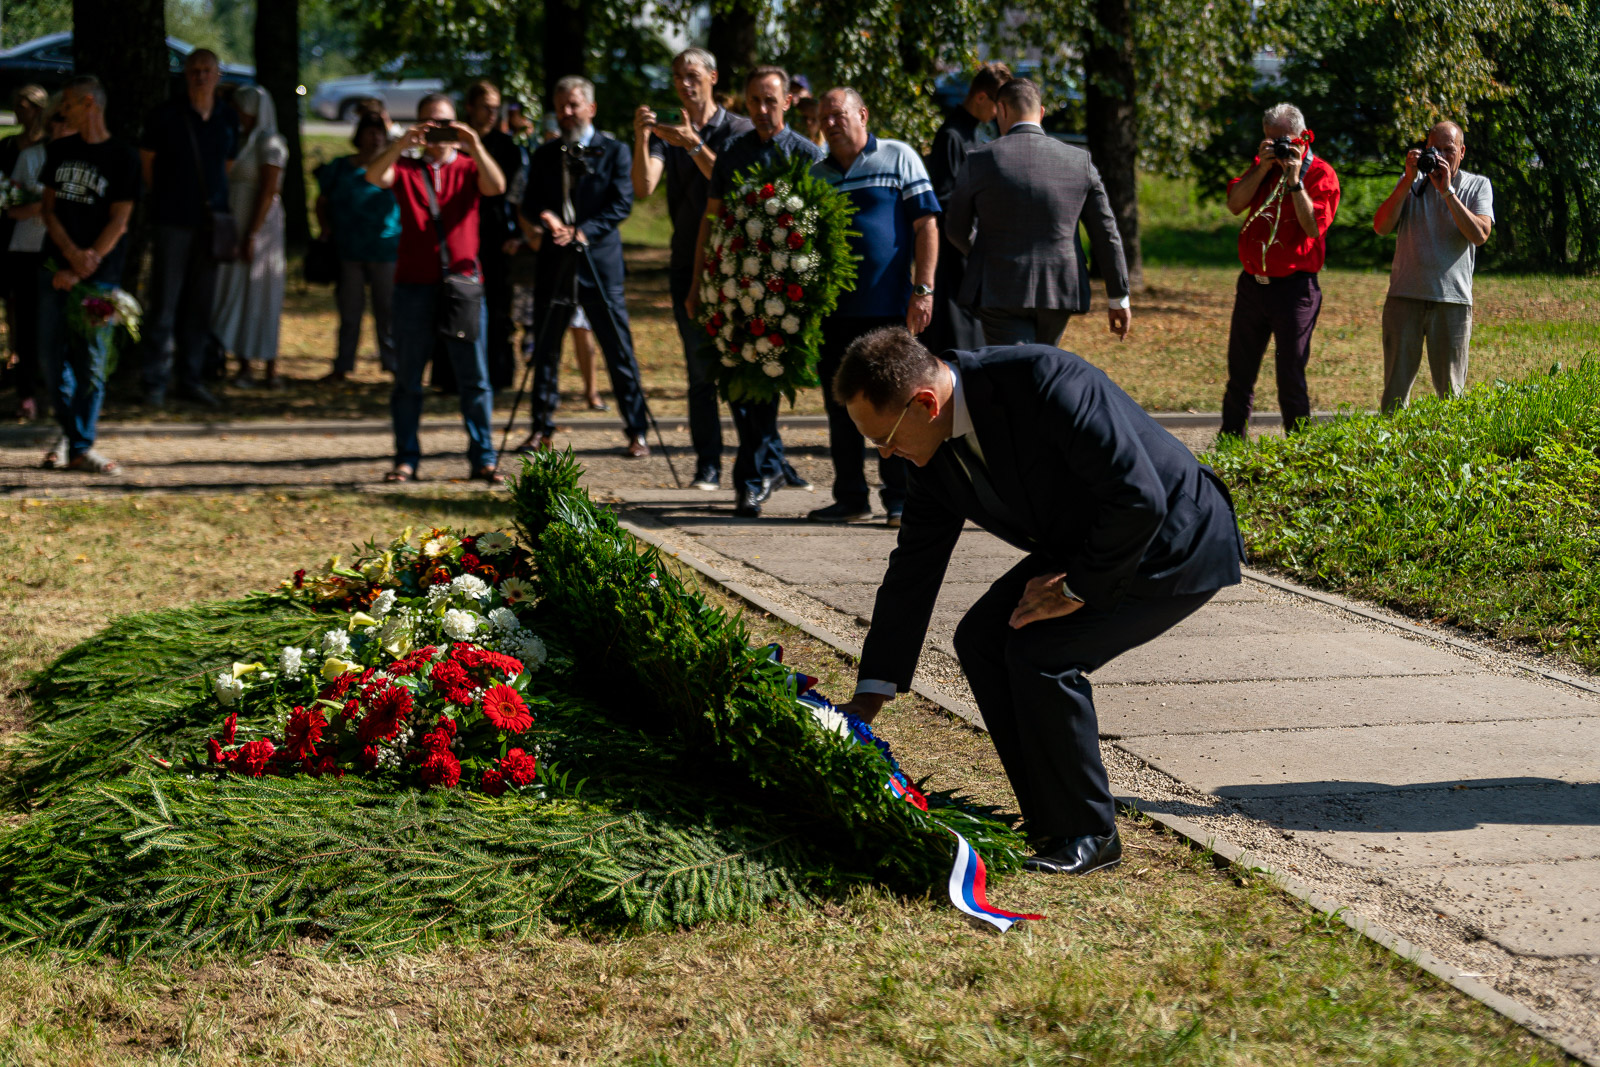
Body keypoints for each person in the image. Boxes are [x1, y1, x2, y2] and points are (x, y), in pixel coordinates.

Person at [831, 327, 1244, 874]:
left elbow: (1138, 497)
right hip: (1088, 540)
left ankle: (1089, 834)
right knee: (980, 639)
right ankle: (1052, 818)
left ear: (926, 403)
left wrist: (1075, 589)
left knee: (1043, 653)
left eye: (886, 438)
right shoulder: (928, 451)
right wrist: (871, 693)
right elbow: (914, 565)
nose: (885, 454)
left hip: (1173, 537)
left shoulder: (1045, 381)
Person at [686, 65, 826, 517]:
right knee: (740, 384)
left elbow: (825, 229)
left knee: (768, 384)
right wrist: (698, 285)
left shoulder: (807, 154)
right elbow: (711, 220)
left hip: (789, 292)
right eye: (754, 102)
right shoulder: (731, 151)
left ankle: (755, 475)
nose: (762, 110)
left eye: (770, 100)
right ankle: (760, 472)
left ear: (787, 101)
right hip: (736, 285)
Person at [806, 87, 940, 528]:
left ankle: (900, 499)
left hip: (889, 309)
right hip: (833, 313)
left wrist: (923, 289)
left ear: (862, 114)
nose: (830, 122)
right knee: (840, 404)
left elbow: (926, 225)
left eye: (839, 114)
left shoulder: (899, 157)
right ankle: (850, 497)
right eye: (824, 116)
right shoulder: (815, 174)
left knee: (895, 403)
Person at [365, 92, 506, 484]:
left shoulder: (467, 165)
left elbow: (496, 187)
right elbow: (374, 177)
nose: (438, 132)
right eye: (430, 123)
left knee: (474, 378)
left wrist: (474, 143)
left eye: (445, 123)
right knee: (408, 379)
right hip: (414, 286)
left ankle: (484, 458)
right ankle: (406, 458)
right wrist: (400, 144)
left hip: (463, 286)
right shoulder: (408, 168)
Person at [631, 46, 754, 490]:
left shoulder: (738, 129)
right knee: (699, 369)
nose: (684, 83)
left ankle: (761, 460)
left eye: (692, 75)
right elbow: (644, 186)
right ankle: (708, 464)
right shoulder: (668, 133)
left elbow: (736, 184)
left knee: (743, 365)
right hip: (687, 262)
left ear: (713, 76)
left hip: (738, 264)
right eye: (677, 76)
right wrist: (642, 137)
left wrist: (695, 144)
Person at [519, 75, 651, 457]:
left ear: (591, 108)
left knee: (617, 350)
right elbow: (529, 202)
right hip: (554, 262)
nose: (567, 112)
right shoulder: (545, 154)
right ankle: (540, 428)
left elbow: (621, 203)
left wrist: (583, 231)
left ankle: (636, 430)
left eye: (574, 104)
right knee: (545, 350)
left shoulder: (613, 151)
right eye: (561, 105)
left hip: (599, 262)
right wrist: (546, 217)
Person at [945, 78, 1131, 349]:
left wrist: (981, 251)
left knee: (1012, 370)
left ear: (1002, 110)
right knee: (1041, 366)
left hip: (999, 288)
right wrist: (1118, 297)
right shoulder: (1080, 161)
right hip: (1059, 289)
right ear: (1041, 113)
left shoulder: (979, 160)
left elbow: (955, 228)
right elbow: (1106, 232)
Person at [1218, 102, 1340, 439]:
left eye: (1284, 141)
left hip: (1294, 289)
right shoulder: (1262, 168)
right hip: (1253, 287)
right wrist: (1261, 168)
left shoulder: (1321, 174)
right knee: (1240, 373)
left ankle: (1300, 449)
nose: (1279, 148)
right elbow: (1234, 204)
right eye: (1271, 141)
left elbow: (1313, 227)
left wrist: (1294, 179)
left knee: (1290, 374)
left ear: (1302, 138)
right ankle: (1230, 443)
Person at [37, 75, 139, 474]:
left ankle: (78, 445)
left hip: (99, 277)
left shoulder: (123, 157)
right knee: (49, 361)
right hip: (53, 270)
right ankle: (72, 438)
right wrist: (69, 257)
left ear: (90, 104)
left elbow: (121, 219)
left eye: (69, 104)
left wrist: (86, 263)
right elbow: (48, 210)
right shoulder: (59, 150)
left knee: (92, 366)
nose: (63, 112)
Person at [139, 49, 239, 408]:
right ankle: (154, 380)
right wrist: (166, 197)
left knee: (200, 305)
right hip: (171, 220)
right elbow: (146, 162)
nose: (200, 76)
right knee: (164, 303)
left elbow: (227, 165)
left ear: (218, 75)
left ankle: (191, 378)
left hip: (211, 223)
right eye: (195, 70)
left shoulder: (228, 117)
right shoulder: (166, 114)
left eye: (207, 70)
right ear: (185, 74)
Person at [1372, 121, 1493, 411]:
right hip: (1404, 298)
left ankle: (1451, 454)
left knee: (1452, 395)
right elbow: (1381, 226)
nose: (1440, 156)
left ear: (1462, 152)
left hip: (1451, 302)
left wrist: (1447, 191)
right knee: (1395, 395)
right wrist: (1406, 179)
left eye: (1448, 150)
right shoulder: (1410, 183)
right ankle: (1390, 450)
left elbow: (1480, 235)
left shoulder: (1477, 185)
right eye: (1433, 149)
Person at [923, 63, 1009, 353]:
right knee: (956, 342)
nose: (997, 114)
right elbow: (945, 200)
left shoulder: (973, 135)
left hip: (971, 251)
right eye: (997, 105)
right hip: (954, 256)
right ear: (981, 98)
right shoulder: (951, 136)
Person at [315, 112, 401, 381]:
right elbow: (322, 202)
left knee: (387, 310)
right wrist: (326, 229)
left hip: (384, 249)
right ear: (359, 135)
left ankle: (393, 364)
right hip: (348, 249)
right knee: (349, 311)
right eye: (369, 131)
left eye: (379, 132)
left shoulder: (395, 168)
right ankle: (343, 365)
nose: (375, 137)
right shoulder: (341, 167)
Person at [212, 86, 287, 390]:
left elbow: (269, 189)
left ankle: (268, 365)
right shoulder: (239, 139)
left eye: (244, 109)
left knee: (262, 291)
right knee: (235, 289)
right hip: (236, 222)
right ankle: (240, 360)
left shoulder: (271, 143)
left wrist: (254, 233)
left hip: (260, 226)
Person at [466, 80, 528, 390]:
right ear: (470, 108)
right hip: (462, 235)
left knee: (499, 308)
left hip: (497, 237)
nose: (491, 113)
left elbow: (518, 195)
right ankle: (456, 376)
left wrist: (518, 234)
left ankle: (500, 375)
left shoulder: (508, 148)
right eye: (485, 107)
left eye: (495, 108)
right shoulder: (456, 142)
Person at [2, 85, 50, 420]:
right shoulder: (8, 147)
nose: (21, 111)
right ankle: (16, 359)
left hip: (39, 240)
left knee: (36, 310)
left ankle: (34, 379)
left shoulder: (48, 150)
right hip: (9, 236)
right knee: (14, 303)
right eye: (17, 105)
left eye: (28, 105)